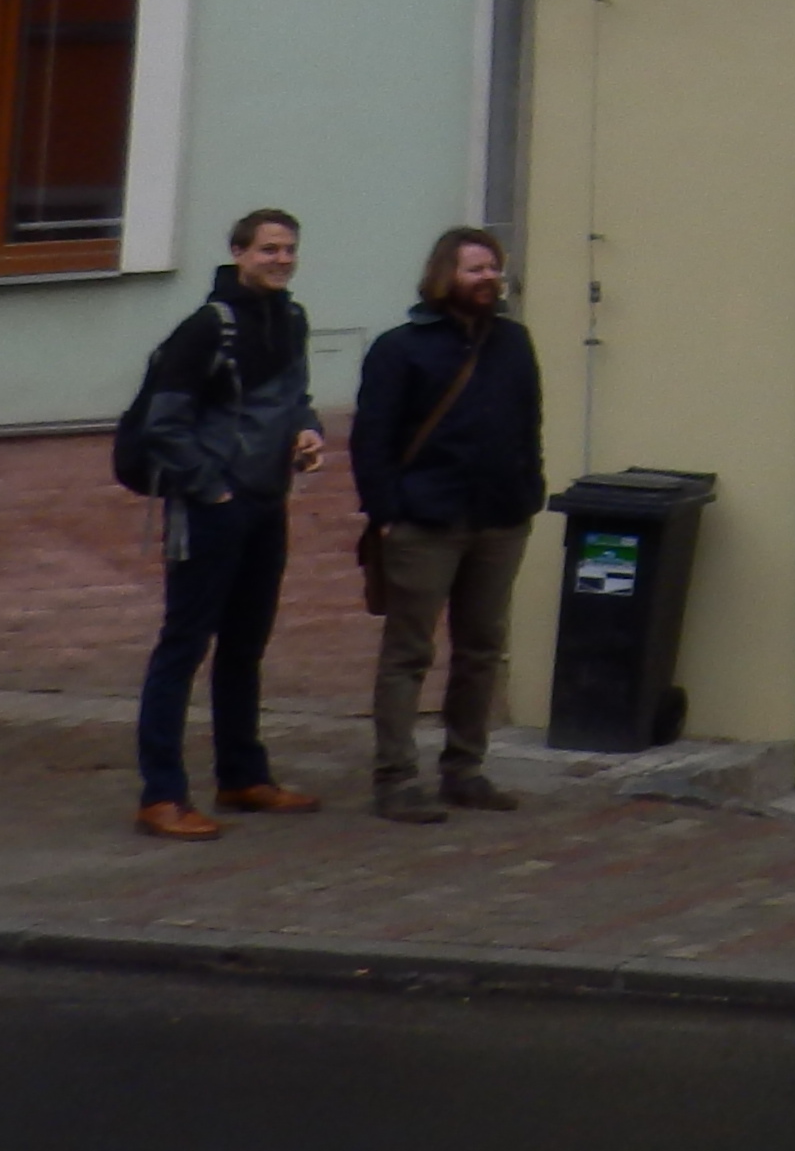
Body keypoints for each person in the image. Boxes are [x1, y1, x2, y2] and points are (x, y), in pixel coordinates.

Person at [132, 206, 328, 840]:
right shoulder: (205, 329)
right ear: (239, 253)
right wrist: (211, 489)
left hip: (267, 503)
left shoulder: (291, 320)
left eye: (289, 249)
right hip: (211, 508)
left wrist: (308, 432)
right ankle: (162, 795)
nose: (281, 259)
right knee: (183, 646)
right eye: (268, 249)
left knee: (246, 645)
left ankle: (243, 776)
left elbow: (296, 398)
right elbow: (163, 425)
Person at [349, 224, 549, 823]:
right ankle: (395, 779)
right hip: (425, 521)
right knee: (409, 652)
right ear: (445, 276)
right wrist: (386, 513)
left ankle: (464, 770)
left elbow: (529, 422)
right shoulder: (400, 348)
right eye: (474, 269)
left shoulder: (513, 342)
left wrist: (529, 491)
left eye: (493, 268)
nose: (488, 278)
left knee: (482, 650)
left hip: (500, 519)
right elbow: (372, 439)